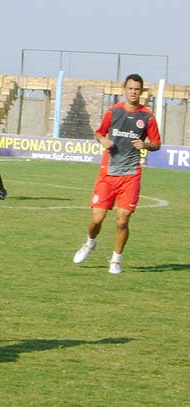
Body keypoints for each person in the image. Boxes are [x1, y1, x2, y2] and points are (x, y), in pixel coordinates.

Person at [73, 73, 161, 274]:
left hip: (130, 174)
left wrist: (145, 144)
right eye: (130, 88)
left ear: (141, 91)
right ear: (124, 89)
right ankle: (90, 243)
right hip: (108, 174)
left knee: (122, 220)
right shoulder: (113, 112)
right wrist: (103, 140)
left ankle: (115, 261)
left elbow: (157, 143)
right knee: (97, 219)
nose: (133, 92)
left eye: (137, 89)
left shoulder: (147, 117)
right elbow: (98, 132)